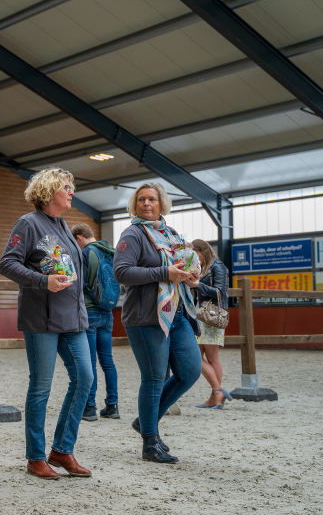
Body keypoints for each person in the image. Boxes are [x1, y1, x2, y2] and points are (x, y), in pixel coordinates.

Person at [0, 167, 93, 480]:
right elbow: (7, 264)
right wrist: (42, 281)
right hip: (41, 320)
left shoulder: (64, 226)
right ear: (49, 191)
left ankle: (62, 450)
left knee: (85, 378)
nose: (71, 191)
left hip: (73, 320)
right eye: (67, 186)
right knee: (41, 386)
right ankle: (36, 457)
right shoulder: (28, 223)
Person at [113, 182, 202, 464]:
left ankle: (145, 420)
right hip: (146, 316)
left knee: (189, 372)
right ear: (134, 205)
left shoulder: (172, 234)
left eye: (152, 199)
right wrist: (165, 272)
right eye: (141, 200)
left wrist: (190, 276)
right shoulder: (132, 234)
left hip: (177, 313)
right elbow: (122, 272)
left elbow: (181, 266)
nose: (146, 204)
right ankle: (150, 442)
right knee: (153, 379)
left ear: (162, 204)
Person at [71, 223, 119, 421]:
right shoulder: (111, 252)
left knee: (90, 362)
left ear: (79, 237)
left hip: (89, 312)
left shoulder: (86, 253)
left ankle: (89, 407)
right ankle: (112, 405)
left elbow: (80, 284)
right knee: (107, 361)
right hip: (108, 312)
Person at [189, 239, 232, 409]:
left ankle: (216, 394)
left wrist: (198, 285)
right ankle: (217, 393)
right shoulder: (203, 267)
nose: (195, 258)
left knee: (211, 358)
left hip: (211, 316)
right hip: (200, 316)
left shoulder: (218, 266)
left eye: (196, 254)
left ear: (203, 251)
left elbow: (221, 292)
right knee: (196, 357)